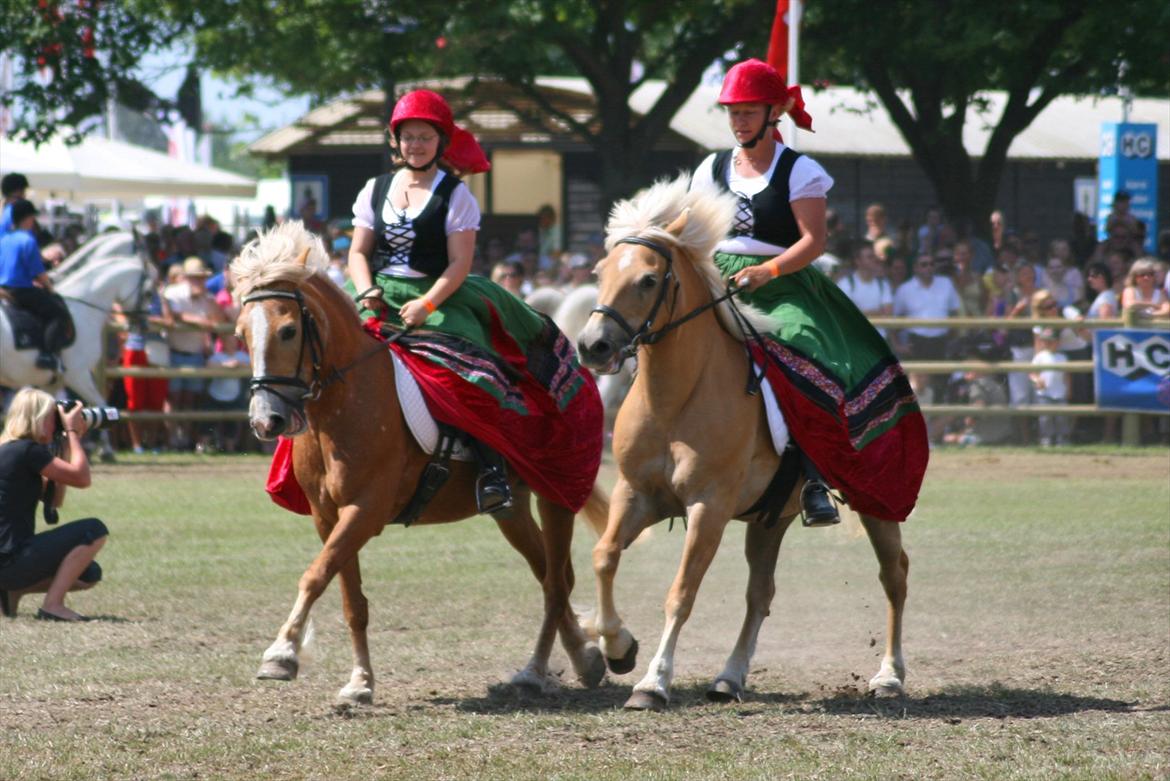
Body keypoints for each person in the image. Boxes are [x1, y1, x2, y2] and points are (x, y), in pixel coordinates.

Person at [690, 58, 928, 525]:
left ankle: (813, 475)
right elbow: (692, 226)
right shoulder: (710, 167)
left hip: (784, 283)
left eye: (747, 112)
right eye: (733, 112)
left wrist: (769, 270)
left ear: (772, 112)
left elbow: (813, 242)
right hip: (717, 277)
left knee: (810, 353)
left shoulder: (800, 170)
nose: (738, 121)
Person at [345, 89, 594, 516]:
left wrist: (426, 304)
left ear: (441, 142)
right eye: (408, 136)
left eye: (425, 136)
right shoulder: (374, 189)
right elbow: (356, 253)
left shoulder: (455, 194)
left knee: (472, 378)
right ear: (395, 141)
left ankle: (491, 471)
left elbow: (460, 263)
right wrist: (366, 290)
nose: (415, 144)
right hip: (377, 293)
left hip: (441, 296)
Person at [0, 388, 107, 621]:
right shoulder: (27, 451)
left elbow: (54, 501)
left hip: (7, 561)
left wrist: (65, 447)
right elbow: (82, 478)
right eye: (52, 417)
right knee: (94, 530)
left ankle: (11, 591)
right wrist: (72, 432)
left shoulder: (9, 450)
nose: (56, 423)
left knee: (88, 573)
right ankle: (53, 605)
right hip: (10, 561)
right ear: (37, 419)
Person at [0, 199, 71, 371]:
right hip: (21, 290)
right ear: (28, 218)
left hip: (3, 289)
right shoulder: (27, 240)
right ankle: (47, 355)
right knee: (59, 313)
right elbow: (38, 274)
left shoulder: (3, 239)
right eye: (32, 217)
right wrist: (50, 288)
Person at [892, 253, 961, 406]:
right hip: (917, 342)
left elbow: (955, 313)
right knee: (917, 385)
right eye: (924, 264)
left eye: (931, 264)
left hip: (941, 341)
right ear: (916, 268)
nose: (928, 267)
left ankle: (937, 424)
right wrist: (898, 345)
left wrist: (952, 338)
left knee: (941, 383)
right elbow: (895, 321)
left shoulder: (946, 283)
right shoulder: (905, 289)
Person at [838, 241, 893, 336]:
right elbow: (845, 315)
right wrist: (878, 312)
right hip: (855, 339)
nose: (874, 260)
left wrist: (859, 313)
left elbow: (888, 313)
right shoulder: (845, 284)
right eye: (869, 257)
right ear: (858, 261)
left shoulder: (883, 285)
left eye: (874, 256)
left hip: (879, 339)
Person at [1030, 328, 1070, 446]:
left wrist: (1068, 389)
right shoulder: (1040, 356)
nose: (1047, 344)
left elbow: (1067, 375)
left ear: (1058, 342)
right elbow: (1032, 372)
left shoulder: (1062, 357)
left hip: (1060, 391)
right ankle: (1046, 438)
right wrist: (1037, 380)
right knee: (1045, 417)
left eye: (1050, 341)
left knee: (1061, 417)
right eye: (1045, 341)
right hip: (1044, 392)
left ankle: (1061, 438)